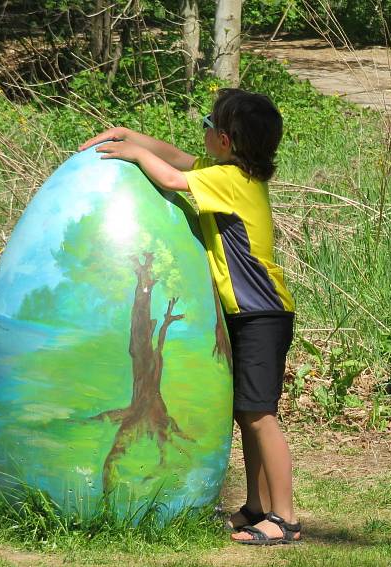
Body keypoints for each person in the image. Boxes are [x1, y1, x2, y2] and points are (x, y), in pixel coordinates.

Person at [78, 88, 301, 545]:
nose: (199, 130)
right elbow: (179, 158)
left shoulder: (231, 180)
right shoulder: (229, 172)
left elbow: (172, 177)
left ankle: (285, 519)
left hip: (262, 315)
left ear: (223, 139)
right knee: (246, 413)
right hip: (248, 314)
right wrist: (130, 135)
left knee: (261, 415)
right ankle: (257, 508)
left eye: (206, 121)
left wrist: (136, 154)